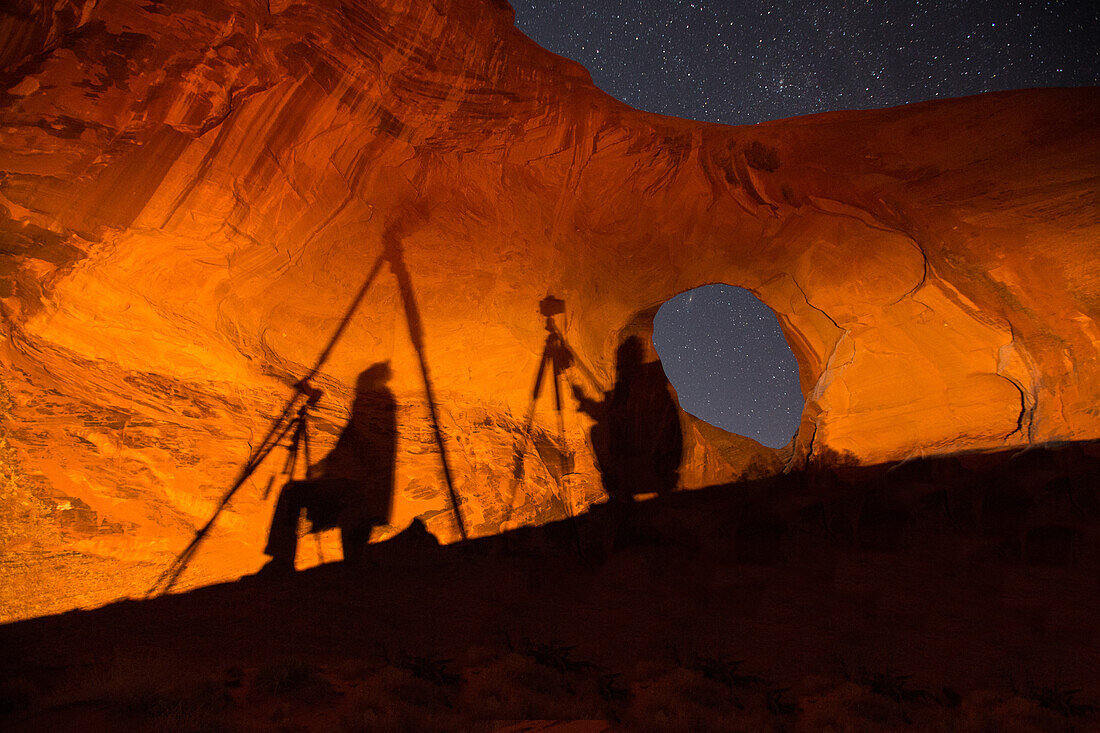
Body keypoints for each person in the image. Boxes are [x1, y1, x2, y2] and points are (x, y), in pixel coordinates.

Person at [261, 362, 397, 573]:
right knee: (354, 549)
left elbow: (358, 451)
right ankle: (354, 575)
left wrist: (326, 470)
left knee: (292, 494)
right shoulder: (379, 406)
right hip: (365, 493)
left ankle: (281, 560)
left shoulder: (375, 404)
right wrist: (324, 468)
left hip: (356, 491)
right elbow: (354, 448)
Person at [573, 336, 683, 509]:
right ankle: (624, 489)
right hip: (657, 461)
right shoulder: (643, 384)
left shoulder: (641, 387)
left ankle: (620, 490)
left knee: (600, 432)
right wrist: (584, 401)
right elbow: (610, 412)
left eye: (621, 360)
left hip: (651, 461)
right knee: (600, 430)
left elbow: (614, 415)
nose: (618, 366)